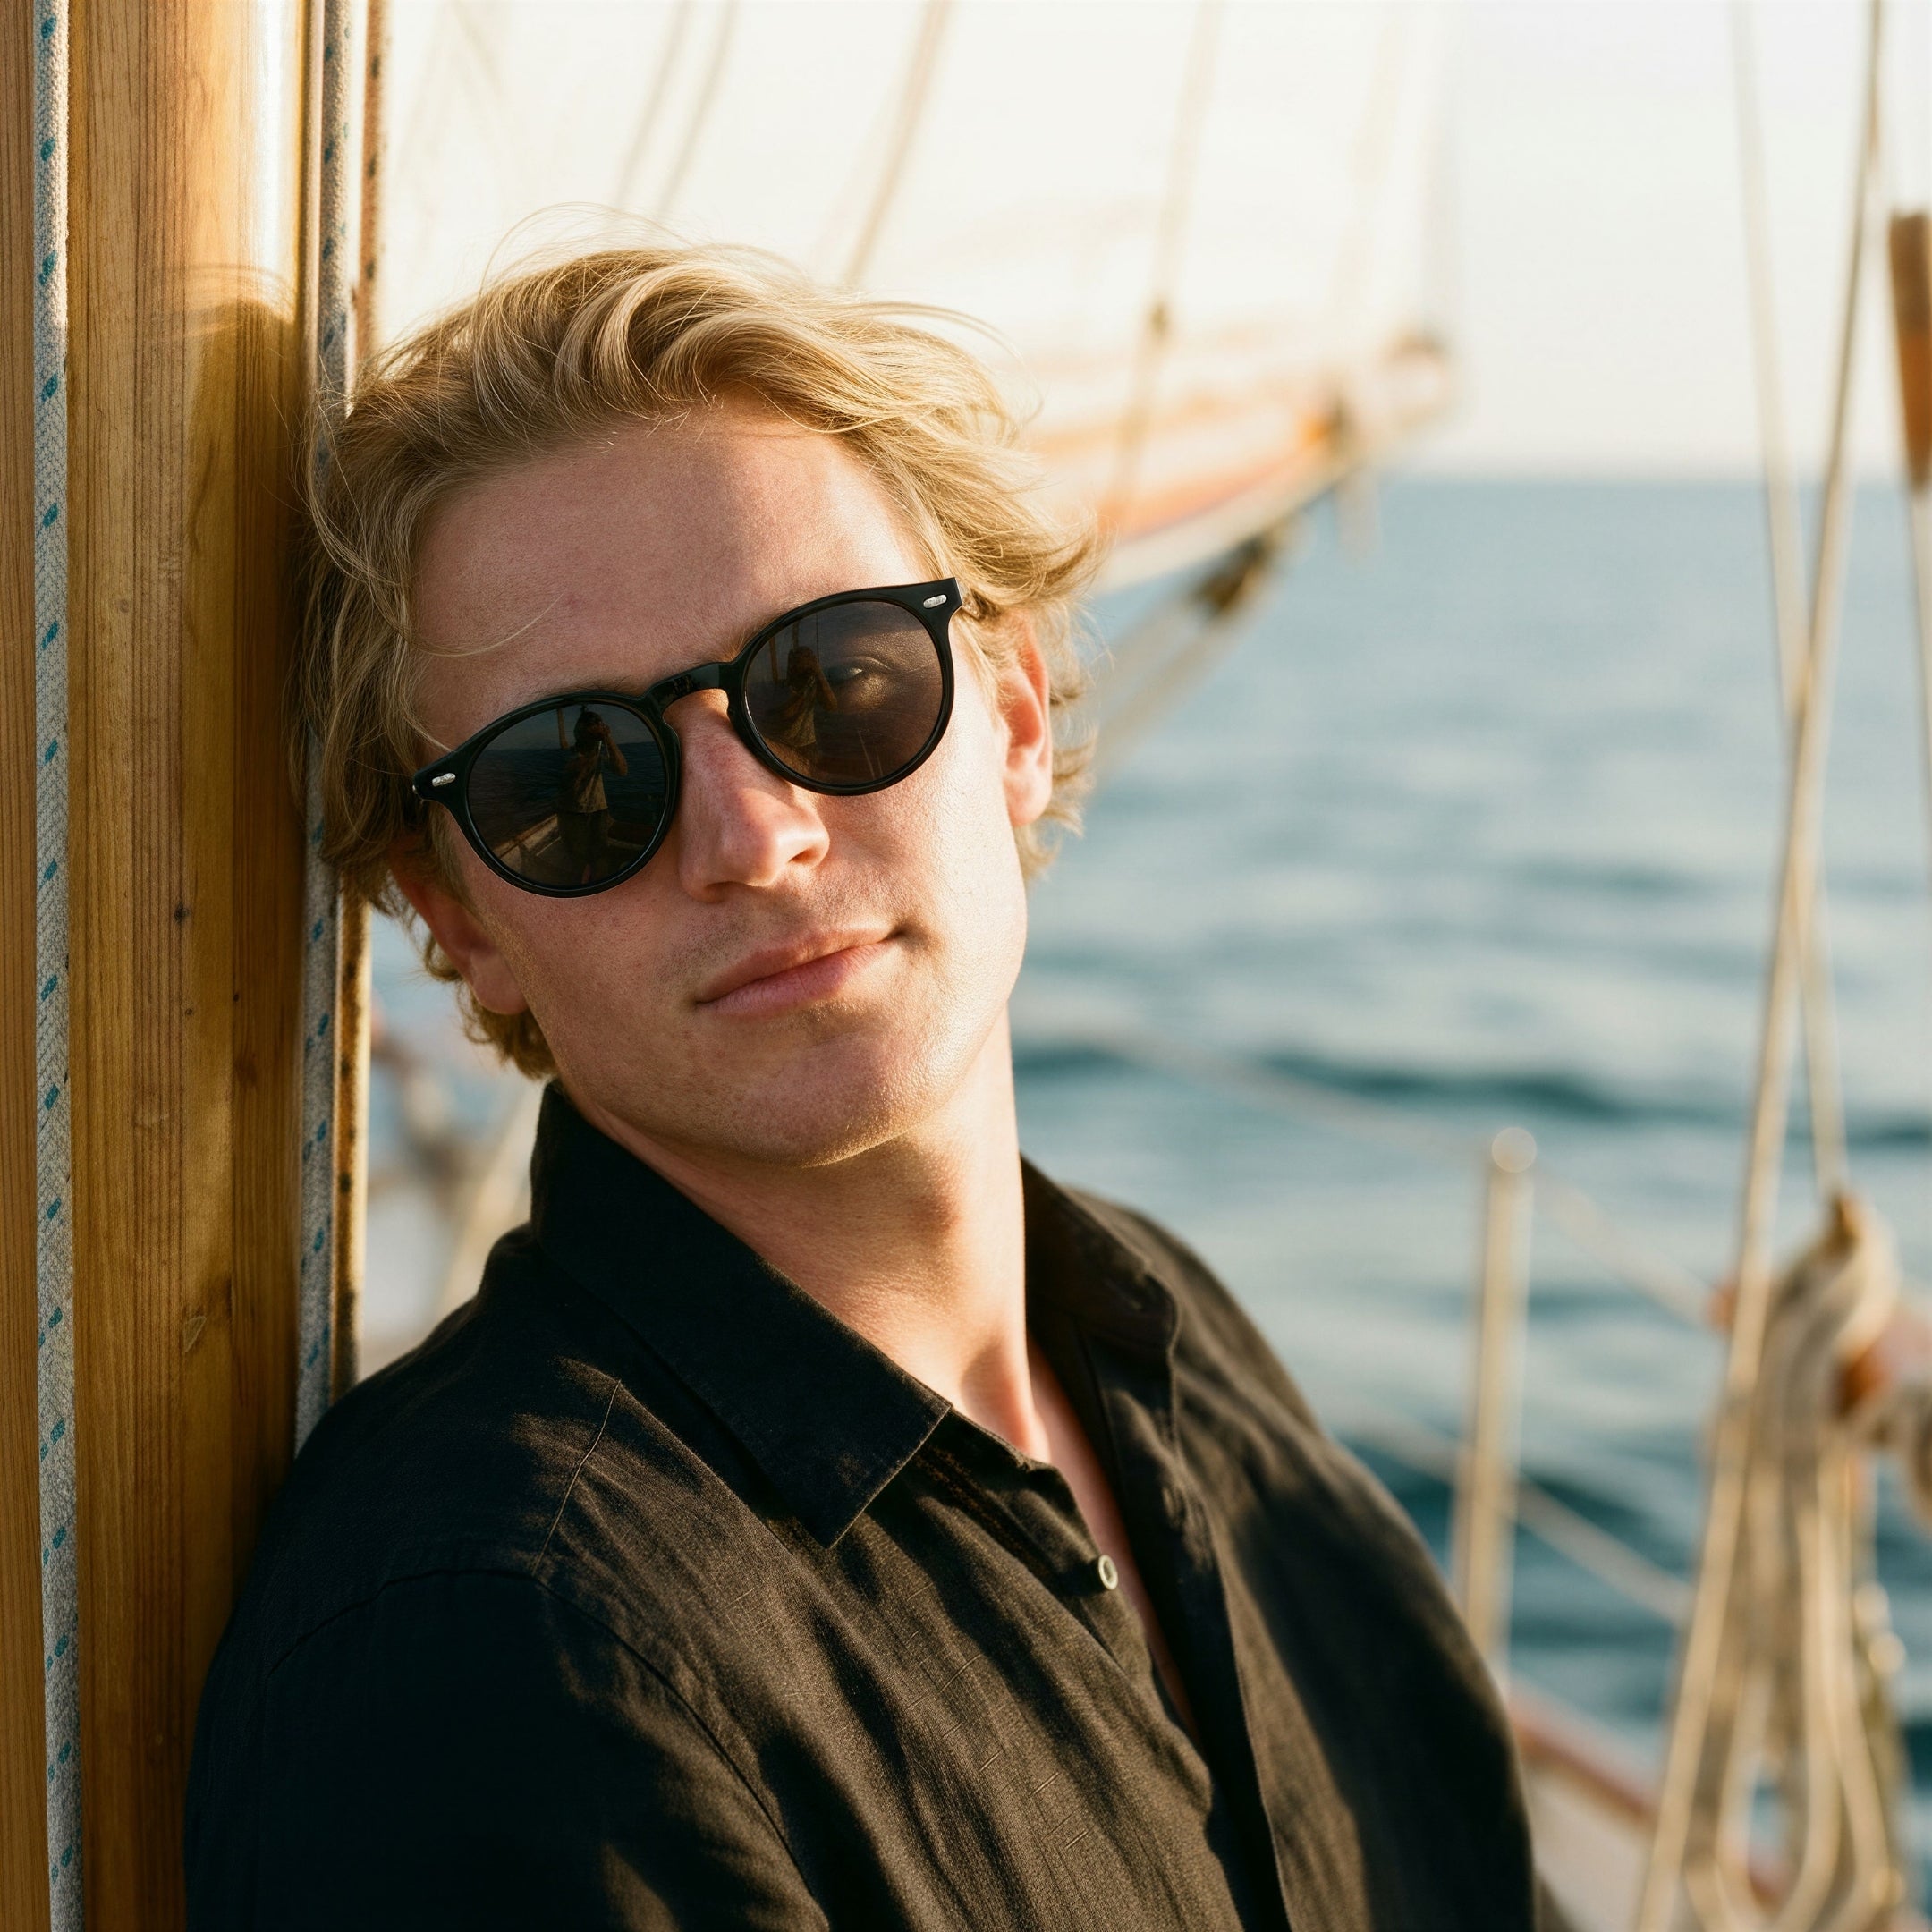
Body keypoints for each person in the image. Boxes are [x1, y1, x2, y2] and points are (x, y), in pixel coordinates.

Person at [185, 245, 1536, 1929]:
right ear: (460, 914)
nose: (756, 839)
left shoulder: (1161, 1336)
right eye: (576, 778)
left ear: (1016, 713)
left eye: (833, 680)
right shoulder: (494, 1659)